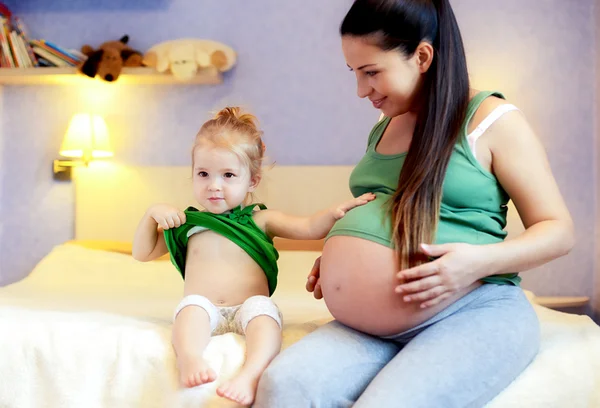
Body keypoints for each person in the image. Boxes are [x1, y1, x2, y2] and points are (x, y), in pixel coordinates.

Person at [254, 0, 574, 407]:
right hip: (371, 328)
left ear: (422, 56)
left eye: (371, 72)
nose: (360, 90)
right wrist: (340, 258)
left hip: (471, 310)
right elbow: (385, 210)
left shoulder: (492, 120)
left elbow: (558, 231)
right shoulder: (383, 128)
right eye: (354, 72)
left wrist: (475, 262)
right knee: (284, 387)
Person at [131, 107, 374, 406]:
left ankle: (252, 372)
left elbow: (309, 227)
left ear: (253, 181)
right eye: (203, 173)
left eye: (229, 175)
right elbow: (142, 253)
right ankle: (190, 359)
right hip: (206, 308)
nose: (214, 185)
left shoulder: (261, 220)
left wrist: (336, 212)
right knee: (189, 309)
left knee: (264, 313)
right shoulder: (189, 223)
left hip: (248, 305)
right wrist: (151, 214)